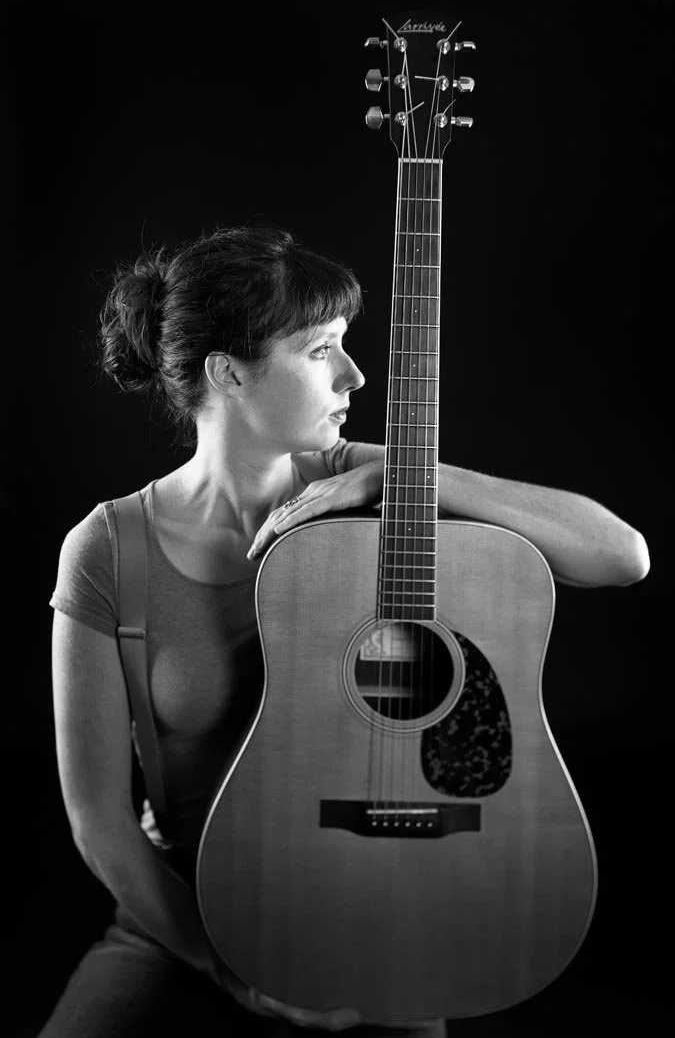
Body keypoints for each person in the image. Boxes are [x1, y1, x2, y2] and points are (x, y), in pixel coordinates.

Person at [43, 224, 649, 1038]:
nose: (354, 375)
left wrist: (406, 470)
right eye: (320, 349)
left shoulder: (364, 483)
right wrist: (227, 972)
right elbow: (99, 822)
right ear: (229, 373)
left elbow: (621, 556)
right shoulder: (108, 548)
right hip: (184, 920)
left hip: (378, 908)